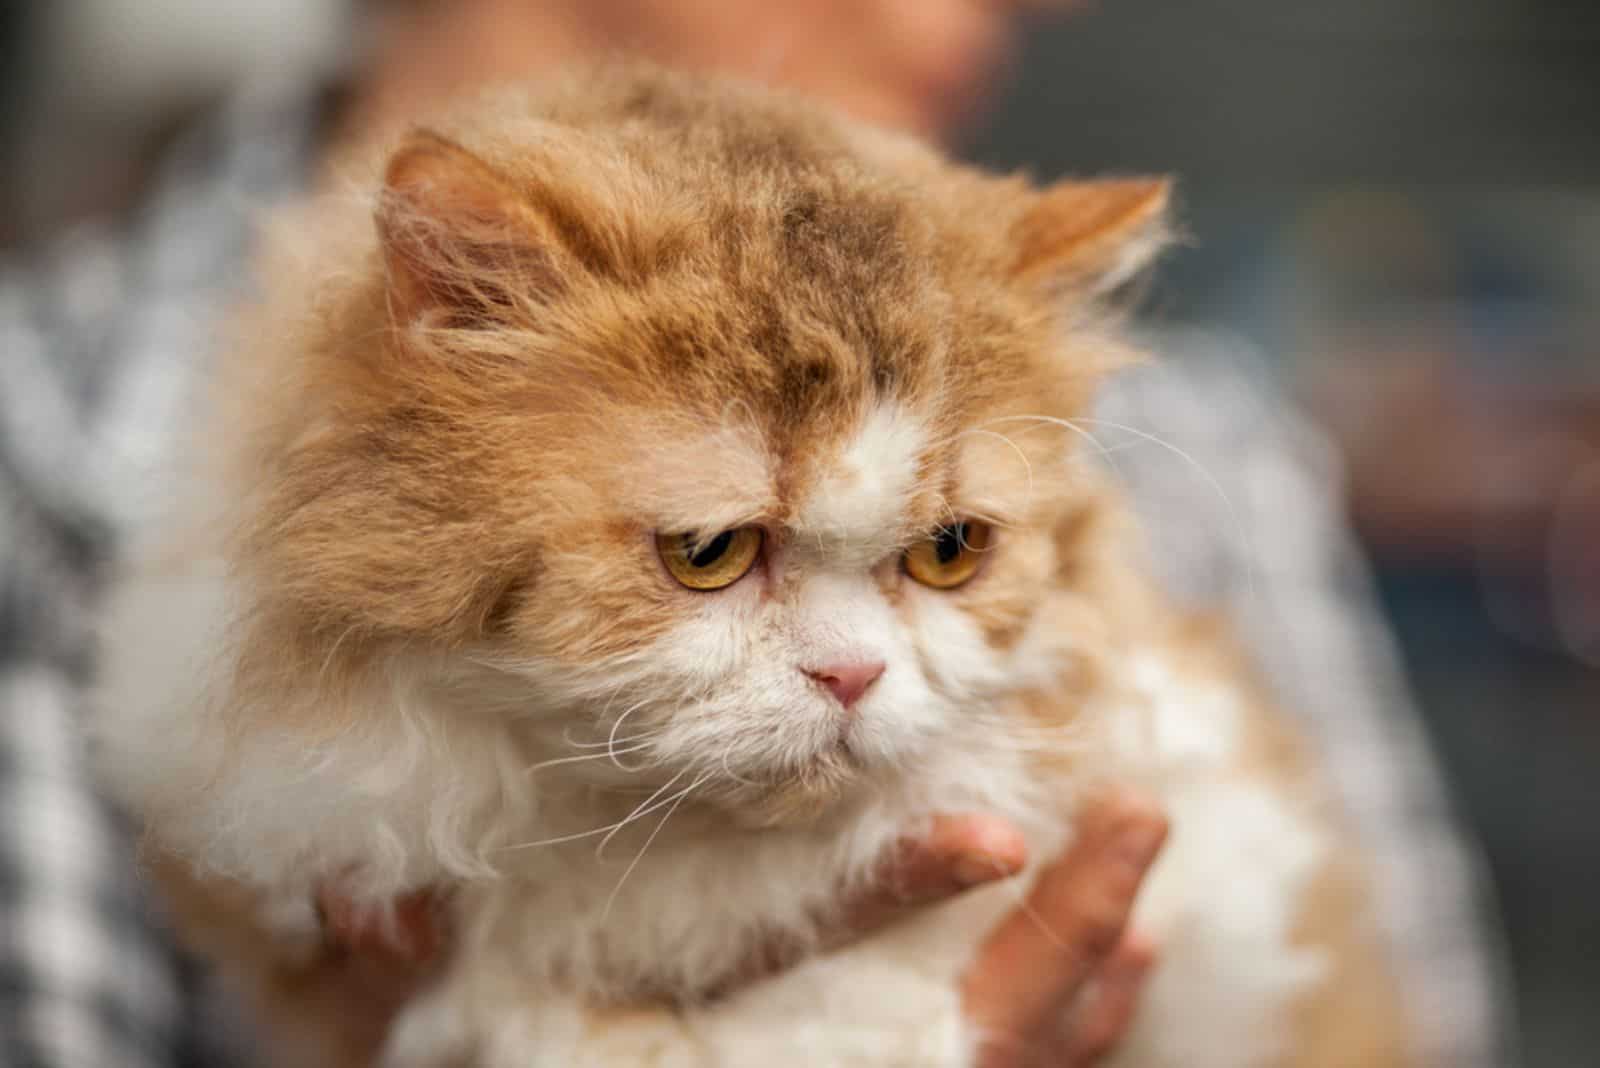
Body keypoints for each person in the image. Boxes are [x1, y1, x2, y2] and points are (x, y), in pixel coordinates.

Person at [0, 2, 1511, 1066]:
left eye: (945, 552)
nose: (1057, 4)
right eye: (711, 547)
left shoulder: (1213, 442)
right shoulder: (40, 435)